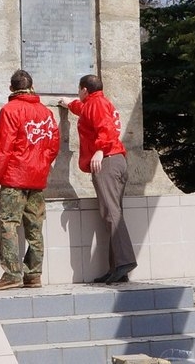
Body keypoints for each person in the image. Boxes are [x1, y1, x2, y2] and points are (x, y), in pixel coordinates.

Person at [58, 74, 136, 285]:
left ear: (84, 90)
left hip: (107, 162)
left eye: (78, 90)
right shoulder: (97, 103)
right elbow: (86, 113)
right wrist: (70, 104)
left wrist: (100, 150)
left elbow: (105, 129)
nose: (78, 93)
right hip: (115, 160)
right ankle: (117, 269)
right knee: (113, 212)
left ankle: (124, 262)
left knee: (111, 213)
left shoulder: (97, 104)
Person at [0, 69, 60, 291]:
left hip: (15, 177)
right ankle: (33, 275)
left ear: (11, 88)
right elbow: (53, 145)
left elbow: (3, 147)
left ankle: (11, 274)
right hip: (37, 178)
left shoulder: (10, 110)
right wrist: (41, 164)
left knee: (8, 224)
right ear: (32, 86)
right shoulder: (46, 113)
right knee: (35, 228)